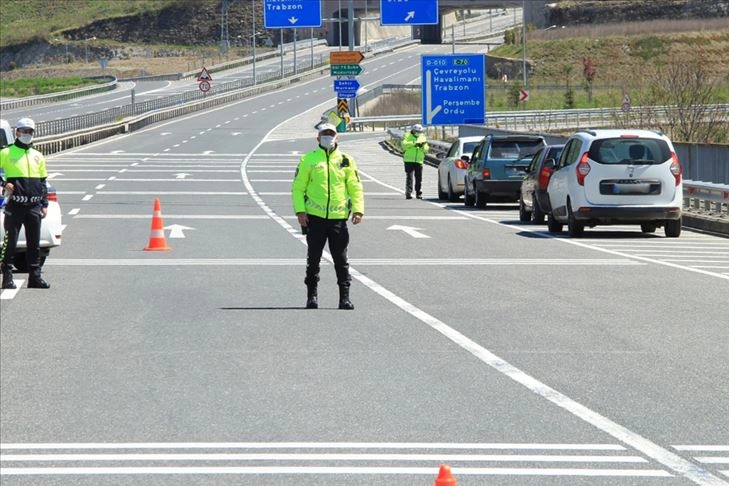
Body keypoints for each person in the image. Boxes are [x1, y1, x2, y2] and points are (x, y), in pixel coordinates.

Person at [292, 123, 364, 310]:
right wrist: (300, 211)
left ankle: (344, 298)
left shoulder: (346, 160)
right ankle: (312, 296)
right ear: (318, 138)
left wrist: (358, 210)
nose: (328, 137)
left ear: (337, 137)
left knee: (341, 260)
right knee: (313, 260)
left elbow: (355, 186)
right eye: (324, 134)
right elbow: (298, 188)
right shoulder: (308, 159)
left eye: (331, 134)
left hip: (338, 218)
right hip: (314, 219)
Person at [0, 117, 51, 289]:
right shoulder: (6, 152)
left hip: (34, 206)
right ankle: (7, 277)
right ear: (17, 132)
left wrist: (44, 203)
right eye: (24, 131)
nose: (27, 134)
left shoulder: (38, 155)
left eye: (30, 131)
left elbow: (43, 182)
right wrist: (3, 183)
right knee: (10, 243)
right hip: (15, 205)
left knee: (34, 244)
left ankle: (35, 277)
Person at [400, 123, 429, 199]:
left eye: (419, 132)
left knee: (419, 178)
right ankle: (408, 193)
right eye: (417, 131)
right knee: (409, 177)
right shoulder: (407, 135)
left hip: (419, 160)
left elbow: (426, 149)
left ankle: (418, 193)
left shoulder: (423, 137)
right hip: (409, 160)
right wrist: (414, 144)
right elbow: (403, 145)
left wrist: (422, 146)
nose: (418, 133)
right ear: (413, 130)